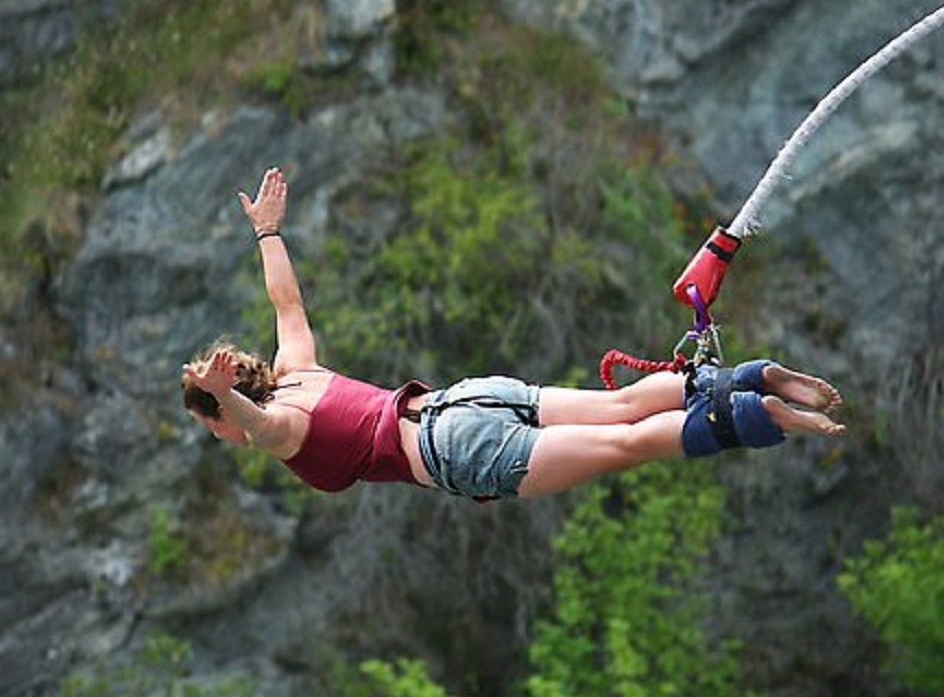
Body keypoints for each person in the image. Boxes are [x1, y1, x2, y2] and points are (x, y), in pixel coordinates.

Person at [182, 168, 846, 501]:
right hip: (464, 397)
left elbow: (260, 429)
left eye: (215, 423)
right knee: (618, 406)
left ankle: (761, 417)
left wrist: (225, 399)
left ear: (222, 418)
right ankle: (750, 378)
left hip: (453, 449)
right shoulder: (298, 369)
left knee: (624, 444)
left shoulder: (285, 433)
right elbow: (287, 302)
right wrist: (268, 232)